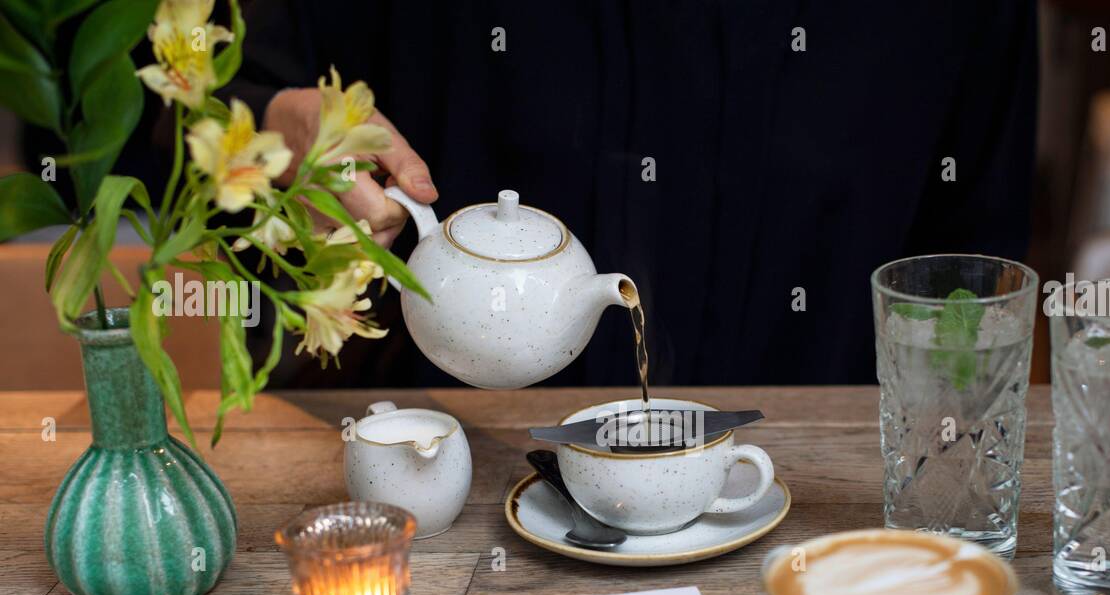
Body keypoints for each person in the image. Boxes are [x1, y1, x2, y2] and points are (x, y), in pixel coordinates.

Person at [228, 0, 1037, 388]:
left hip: (818, 504)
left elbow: (972, 268)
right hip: (435, 478)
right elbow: (175, 110)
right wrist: (270, 135)